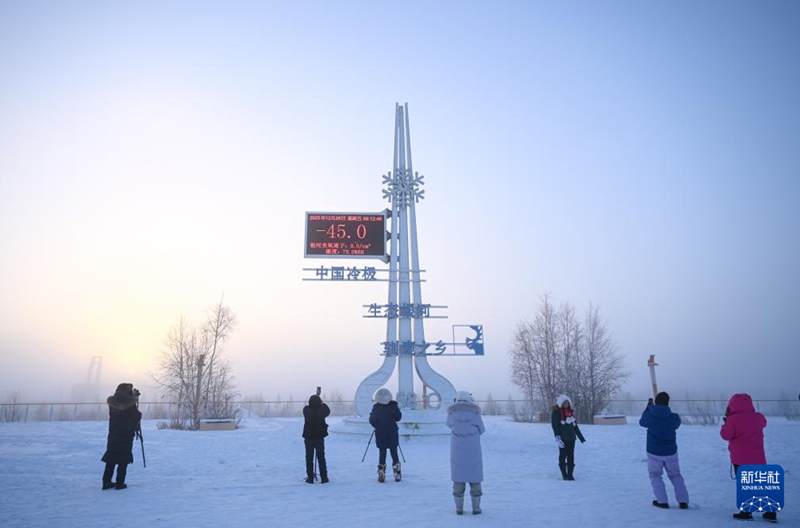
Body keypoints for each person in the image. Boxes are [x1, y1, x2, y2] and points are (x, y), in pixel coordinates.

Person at [720, 393, 774, 522]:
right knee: (762, 484)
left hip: (741, 459)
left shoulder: (733, 420)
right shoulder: (759, 418)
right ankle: (770, 513)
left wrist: (726, 423)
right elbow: (763, 423)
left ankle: (746, 512)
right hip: (758, 458)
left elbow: (725, 435)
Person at [639, 391, 690, 509]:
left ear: (656, 402)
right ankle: (683, 501)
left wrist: (648, 408)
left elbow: (642, 422)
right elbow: (676, 424)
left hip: (654, 452)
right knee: (676, 475)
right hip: (670, 451)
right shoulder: (674, 417)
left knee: (655, 475)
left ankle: (662, 501)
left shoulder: (650, 416)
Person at [446, 390, 485, 515]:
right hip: (473, 452)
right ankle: (476, 508)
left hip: (457, 452)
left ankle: (459, 508)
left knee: (458, 478)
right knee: (475, 477)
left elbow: (448, 425)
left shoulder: (451, 414)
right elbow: (482, 430)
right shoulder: (475, 414)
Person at [101, 383, 142, 490]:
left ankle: (106, 482)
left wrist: (133, 397)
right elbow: (137, 416)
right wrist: (134, 399)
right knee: (123, 458)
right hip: (126, 434)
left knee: (111, 457)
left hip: (113, 433)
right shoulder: (130, 404)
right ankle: (120, 483)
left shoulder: (112, 403)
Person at [368, 388, 402, 482]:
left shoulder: (376, 408)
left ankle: (381, 476)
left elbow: (372, 420)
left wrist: (378, 426)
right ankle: (397, 475)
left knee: (382, 454)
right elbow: (398, 417)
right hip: (392, 433)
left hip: (381, 433)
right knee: (394, 453)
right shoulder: (394, 406)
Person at [551, 394, 586, 480]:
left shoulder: (570, 413)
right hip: (562, 439)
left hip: (571, 438)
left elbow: (575, 426)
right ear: (561, 403)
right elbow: (555, 426)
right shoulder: (556, 413)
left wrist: (581, 437)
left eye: (567, 403)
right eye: (564, 403)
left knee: (571, 456)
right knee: (563, 456)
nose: (566, 404)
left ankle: (570, 474)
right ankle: (564, 474)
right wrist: (557, 437)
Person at [302, 393, 330, 483]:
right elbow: (327, 411)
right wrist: (321, 401)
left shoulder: (306, 410)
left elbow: (308, 408)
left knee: (309, 457)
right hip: (319, 437)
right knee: (321, 457)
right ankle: (324, 477)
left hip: (308, 437)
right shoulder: (322, 410)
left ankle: (310, 478)